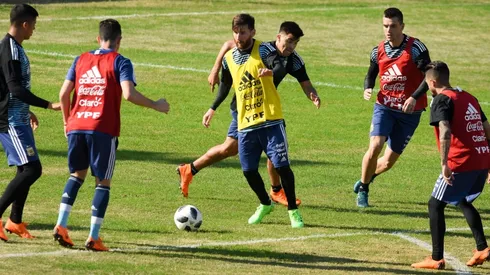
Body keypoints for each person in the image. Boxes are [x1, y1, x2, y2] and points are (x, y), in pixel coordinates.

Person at [52, 19, 170, 251]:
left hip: (76, 125)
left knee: (76, 175)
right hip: (102, 129)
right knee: (102, 182)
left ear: (98, 38)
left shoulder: (80, 59)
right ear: (119, 40)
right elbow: (128, 94)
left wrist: (68, 120)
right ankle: (93, 237)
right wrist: (156, 104)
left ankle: (61, 225)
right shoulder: (120, 61)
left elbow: (64, 93)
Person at [177, 21, 320, 207]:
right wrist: (215, 69)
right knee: (235, 149)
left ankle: (189, 169)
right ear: (279, 37)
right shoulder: (263, 49)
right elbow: (230, 44)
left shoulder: (293, 59)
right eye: (289, 41)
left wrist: (313, 95)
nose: (291, 46)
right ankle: (276, 191)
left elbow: (306, 83)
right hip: (244, 108)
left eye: (296, 43)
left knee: (239, 149)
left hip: (264, 109)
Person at [200, 13, 303, 228]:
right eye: (236, 32)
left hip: (271, 119)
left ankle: (293, 211)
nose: (238, 36)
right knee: (248, 171)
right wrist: (212, 107)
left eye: (243, 32)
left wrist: (271, 72)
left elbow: (279, 64)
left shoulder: (264, 49)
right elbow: (226, 85)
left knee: (282, 166)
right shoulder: (229, 58)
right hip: (245, 122)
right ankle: (265, 204)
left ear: (253, 32)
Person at [411, 61, 490, 269]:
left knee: (435, 204)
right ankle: (482, 247)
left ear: (433, 81)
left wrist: (444, 163)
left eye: (427, 83)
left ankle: (436, 258)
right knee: (463, 200)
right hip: (482, 160)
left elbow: (445, 131)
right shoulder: (468, 97)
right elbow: (487, 130)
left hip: (460, 162)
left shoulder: (441, 100)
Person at [353, 7, 431, 207]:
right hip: (385, 107)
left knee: (387, 163)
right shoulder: (377, 50)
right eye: (385, 26)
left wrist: (414, 97)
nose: (388, 30)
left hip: (410, 112)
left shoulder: (416, 48)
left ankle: (365, 178)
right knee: (375, 145)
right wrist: (367, 88)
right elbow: (371, 73)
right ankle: (364, 188)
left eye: (393, 26)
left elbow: (429, 77)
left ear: (402, 26)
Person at [0, 4, 60, 242]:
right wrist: (47, 105)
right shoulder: (10, 50)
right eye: (33, 25)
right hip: (10, 121)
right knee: (32, 169)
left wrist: (28, 110)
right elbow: (14, 88)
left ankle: (15, 221)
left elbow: (8, 88)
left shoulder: (14, 47)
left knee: (25, 169)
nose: (34, 29)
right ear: (24, 24)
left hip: (19, 117)